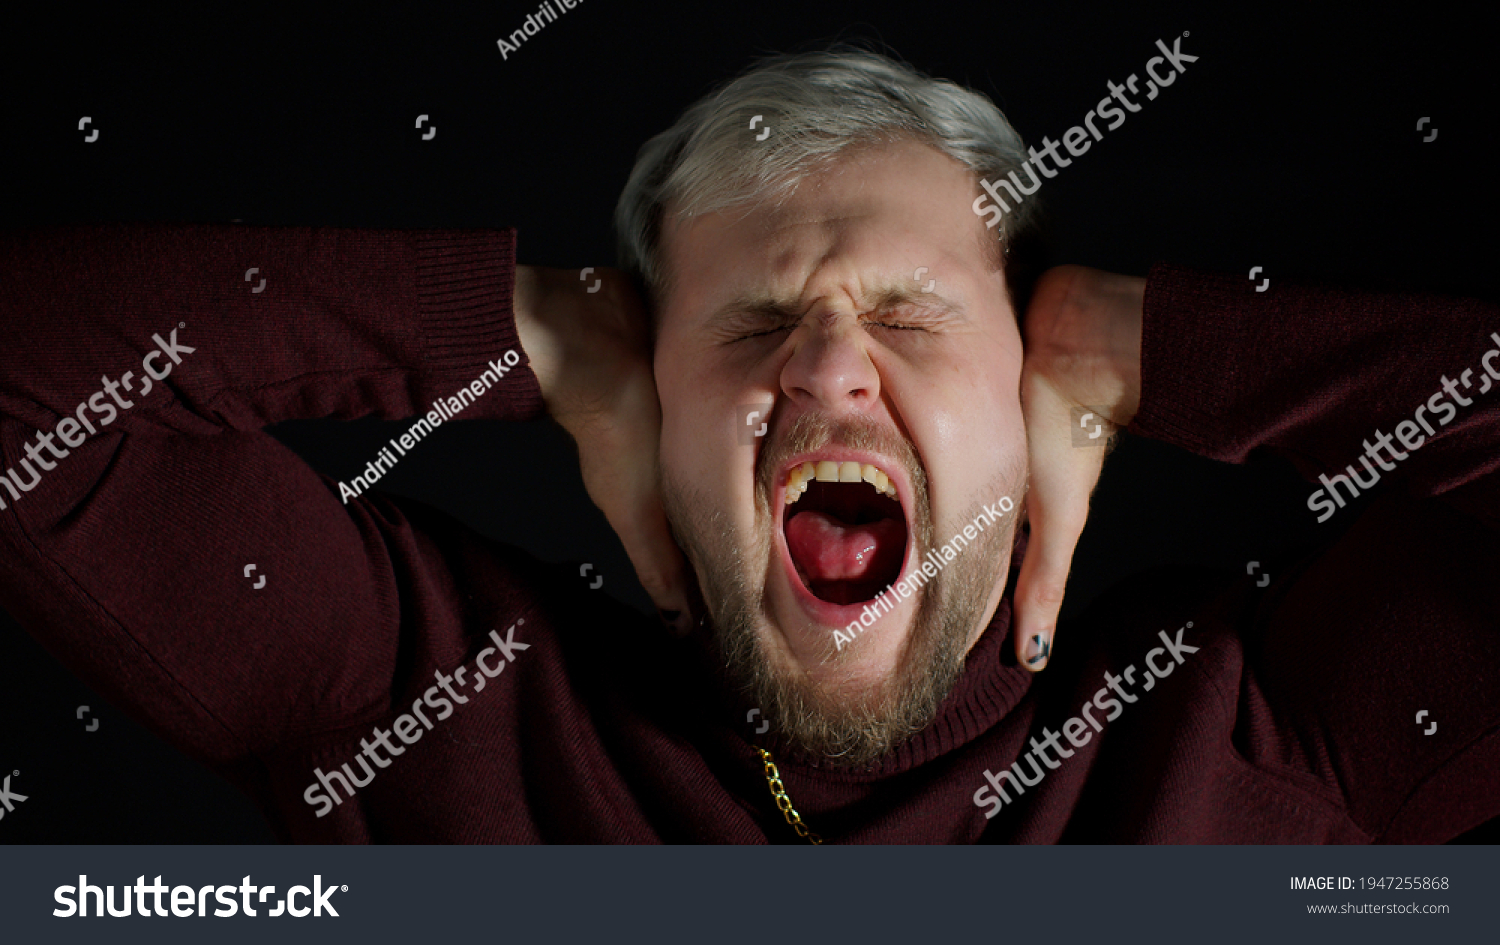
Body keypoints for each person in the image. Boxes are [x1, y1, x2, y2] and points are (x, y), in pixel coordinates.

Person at [1, 46, 1496, 843]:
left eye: (912, 316)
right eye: (746, 322)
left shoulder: (1258, 747)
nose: (830, 362)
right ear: (643, 409)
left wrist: (1160, 345)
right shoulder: (429, 703)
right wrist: (526, 327)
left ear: (1044, 403)